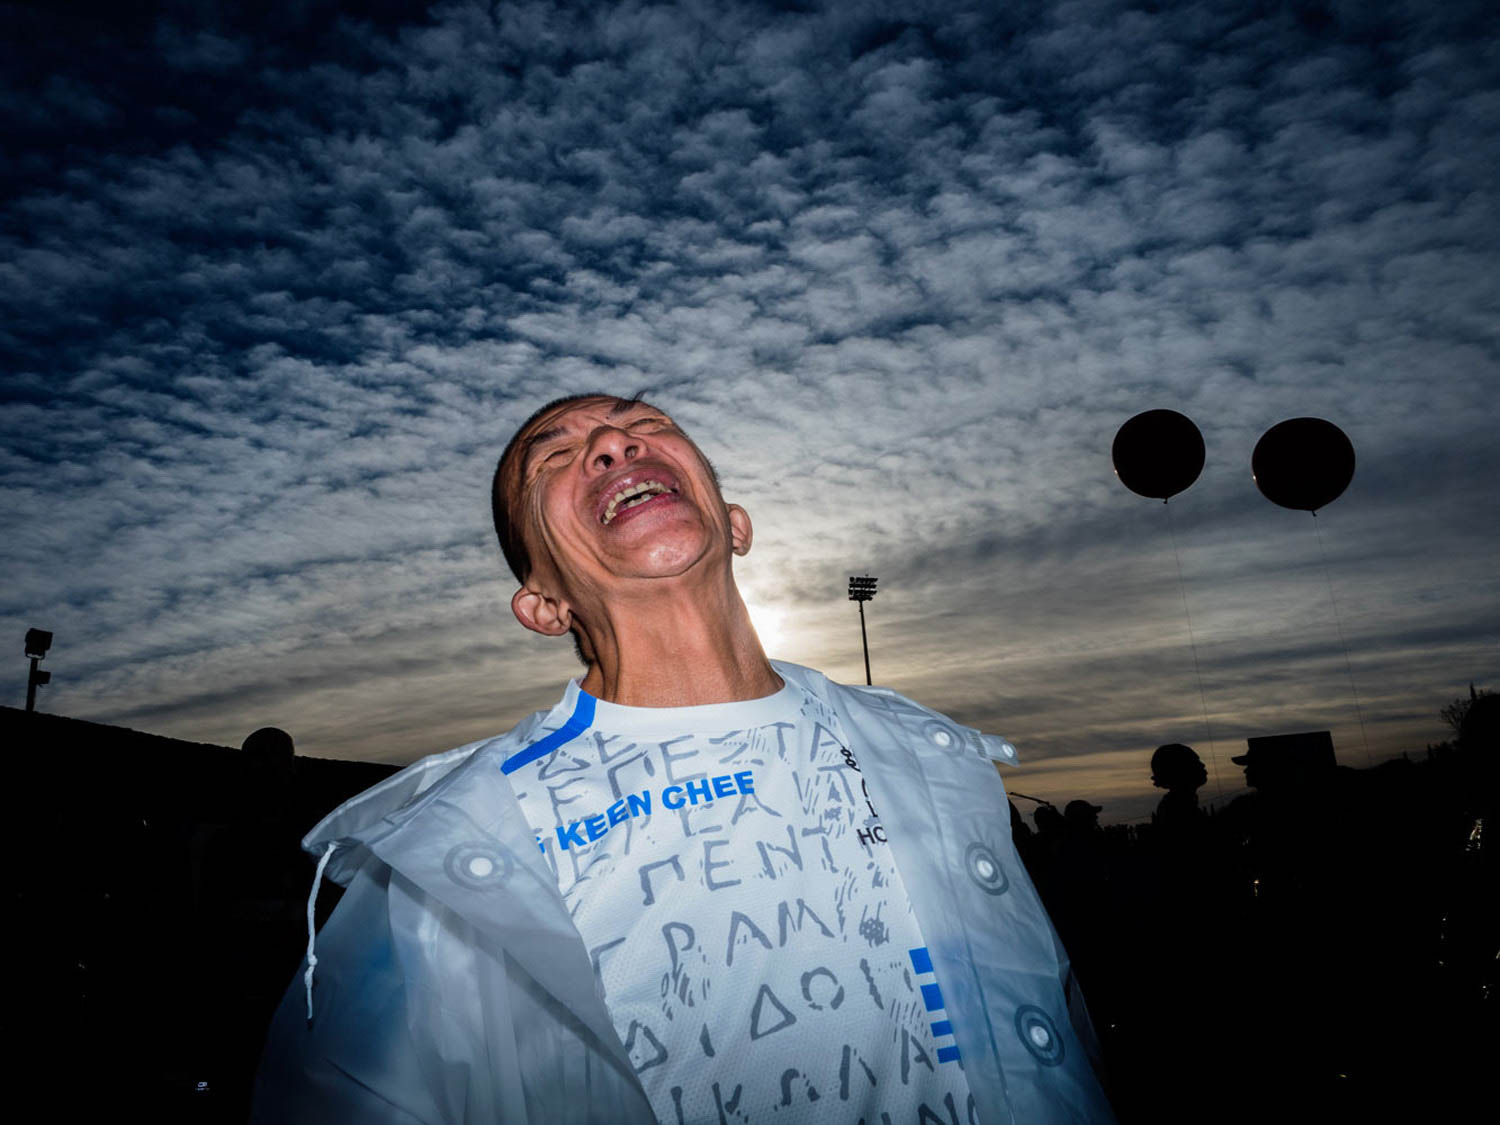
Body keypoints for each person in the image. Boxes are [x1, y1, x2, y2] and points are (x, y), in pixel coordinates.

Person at [252, 393, 1116, 1124]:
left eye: (648, 425)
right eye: (554, 457)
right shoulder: (455, 855)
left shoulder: (936, 762)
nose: (612, 441)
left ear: (735, 523)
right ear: (543, 605)